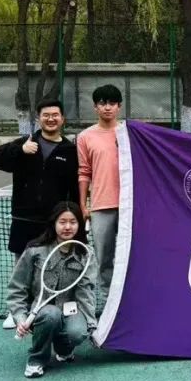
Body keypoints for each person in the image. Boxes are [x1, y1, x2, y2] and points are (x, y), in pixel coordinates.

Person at [0, 98, 80, 329]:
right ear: (39, 119)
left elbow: (74, 187)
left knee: (53, 266)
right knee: (21, 268)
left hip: (52, 222)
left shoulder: (70, 151)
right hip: (24, 219)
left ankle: (51, 308)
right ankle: (16, 311)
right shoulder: (26, 142)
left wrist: (76, 218)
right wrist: (19, 150)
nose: (51, 119)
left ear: (62, 119)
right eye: (46, 115)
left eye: (55, 115)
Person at [7, 201, 96, 378]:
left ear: (79, 225)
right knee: (50, 315)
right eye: (62, 222)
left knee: (78, 332)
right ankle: (36, 360)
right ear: (54, 224)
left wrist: (91, 325)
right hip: (42, 312)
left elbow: (85, 292)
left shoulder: (86, 254)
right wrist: (20, 318)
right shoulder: (35, 250)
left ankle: (64, 350)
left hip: (70, 310)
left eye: (73, 222)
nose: (67, 227)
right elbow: (17, 288)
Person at [78, 84, 123, 303]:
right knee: (104, 258)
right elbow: (84, 172)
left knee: (132, 256)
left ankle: (131, 299)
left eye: (112, 103)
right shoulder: (85, 137)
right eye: (102, 103)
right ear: (95, 107)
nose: (107, 107)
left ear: (119, 106)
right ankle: (108, 301)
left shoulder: (130, 134)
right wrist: (83, 204)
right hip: (100, 206)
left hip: (129, 206)